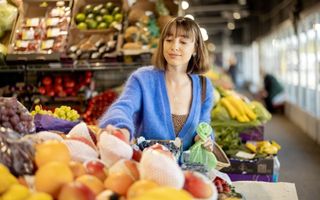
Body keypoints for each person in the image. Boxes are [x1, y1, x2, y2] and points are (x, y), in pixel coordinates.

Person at [99, 17, 214, 151]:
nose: (174, 47)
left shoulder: (204, 86)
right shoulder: (142, 79)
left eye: (183, 42)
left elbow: (204, 125)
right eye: (169, 40)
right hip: (147, 166)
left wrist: (204, 138)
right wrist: (120, 128)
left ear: (195, 49)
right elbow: (123, 106)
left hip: (187, 170)